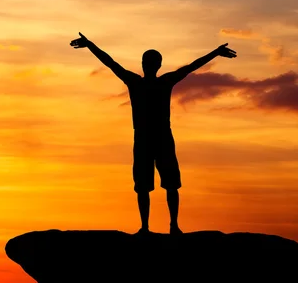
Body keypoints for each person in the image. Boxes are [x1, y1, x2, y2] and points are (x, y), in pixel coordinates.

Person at [70, 32, 237, 234]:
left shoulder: (140, 82)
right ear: (156, 65)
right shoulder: (155, 82)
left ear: (149, 64)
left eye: (148, 62)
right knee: (152, 184)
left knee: (161, 184)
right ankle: (159, 227)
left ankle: (159, 226)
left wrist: (90, 45)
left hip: (151, 137)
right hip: (152, 137)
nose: (146, 65)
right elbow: (190, 67)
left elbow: (110, 63)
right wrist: (216, 52)